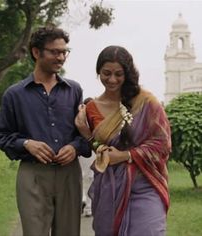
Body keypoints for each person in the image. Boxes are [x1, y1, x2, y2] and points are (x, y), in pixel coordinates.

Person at [0, 26, 91, 236]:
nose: (61, 57)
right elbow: (1, 136)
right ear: (36, 52)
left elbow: (84, 134)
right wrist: (27, 144)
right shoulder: (14, 94)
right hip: (32, 174)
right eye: (55, 52)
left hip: (69, 173)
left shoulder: (74, 90)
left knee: (69, 232)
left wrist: (74, 148)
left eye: (64, 52)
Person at [75, 45, 171, 236]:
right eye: (106, 73)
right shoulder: (92, 107)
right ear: (98, 73)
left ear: (128, 73)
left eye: (119, 74)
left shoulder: (146, 102)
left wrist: (126, 155)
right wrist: (86, 134)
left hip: (145, 184)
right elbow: (101, 150)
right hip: (110, 189)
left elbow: (163, 144)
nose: (112, 79)